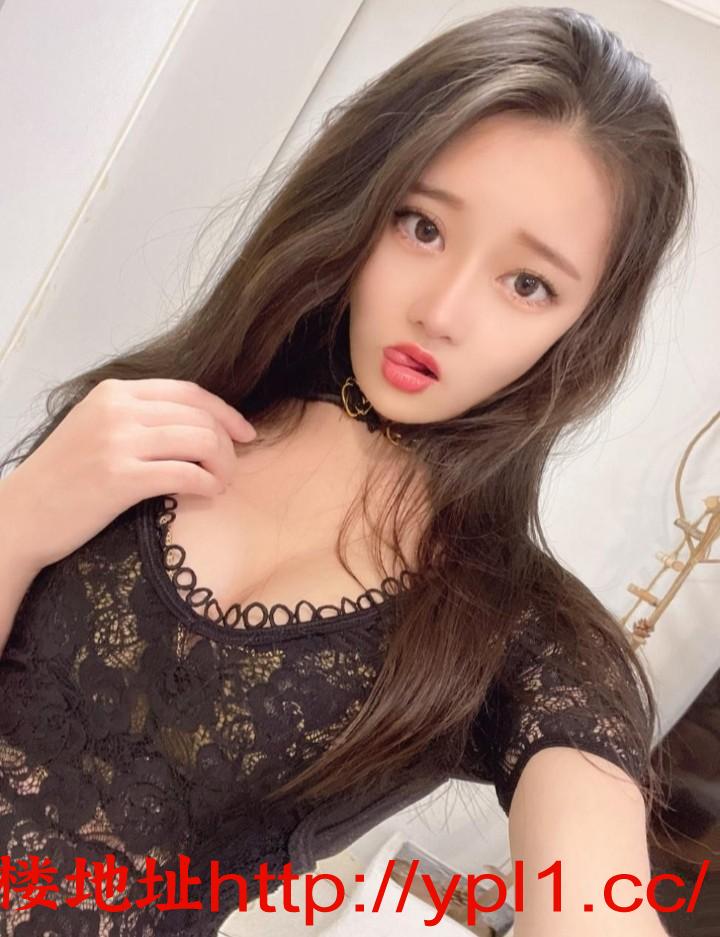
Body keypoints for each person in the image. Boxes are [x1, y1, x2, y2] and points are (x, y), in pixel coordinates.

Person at [0, 6, 693, 935]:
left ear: (583, 328)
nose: (442, 311)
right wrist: (19, 516)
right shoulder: (138, 420)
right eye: (422, 226)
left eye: (527, 284)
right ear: (362, 199)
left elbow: (594, 901)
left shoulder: (524, 638)